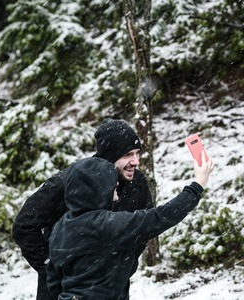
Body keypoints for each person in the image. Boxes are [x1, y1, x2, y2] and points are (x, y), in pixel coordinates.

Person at [12, 119, 153, 300]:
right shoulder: (71, 180)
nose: (135, 161)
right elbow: (24, 226)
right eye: (127, 155)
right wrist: (54, 267)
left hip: (113, 290)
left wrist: (125, 263)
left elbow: (143, 226)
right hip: (63, 292)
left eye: (137, 153)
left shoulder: (136, 183)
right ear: (109, 156)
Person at [46, 152, 214, 300]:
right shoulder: (105, 225)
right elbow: (161, 217)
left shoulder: (62, 225)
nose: (116, 184)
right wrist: (197, 185)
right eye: (110, 181)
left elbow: (53, 280)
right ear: (97, 188)